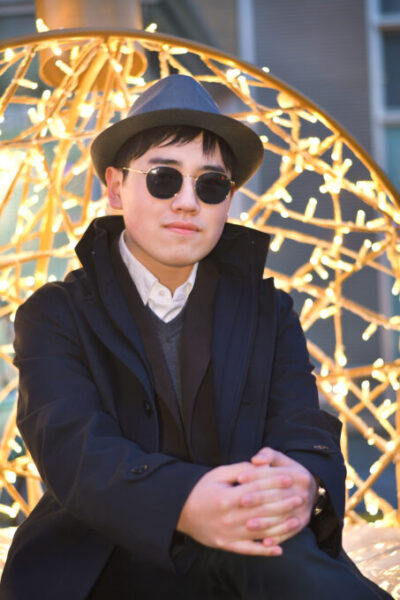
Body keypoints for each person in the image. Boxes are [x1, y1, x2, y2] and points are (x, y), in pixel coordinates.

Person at [0, 75, 392, 599]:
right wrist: (185, 501)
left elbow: (301, 423)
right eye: (164, 178)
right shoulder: (54, 314)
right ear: (115, 187)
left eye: (210, 186)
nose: (188, 202)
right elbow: (72, 449)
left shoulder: (268, 310)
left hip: (250, 548)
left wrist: (305, 480)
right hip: (99, 562)